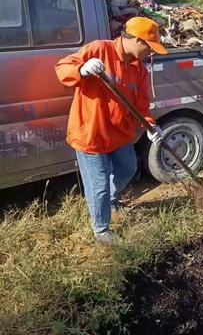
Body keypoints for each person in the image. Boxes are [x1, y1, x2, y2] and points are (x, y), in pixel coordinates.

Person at [55, 17, 168, 244]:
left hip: (119, 133)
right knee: (98, 185)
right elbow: (62, 68)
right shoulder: (99, 50)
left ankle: (110, 200)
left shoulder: (139, 70)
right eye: (149, 47)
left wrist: (150, 126)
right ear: (136, 39)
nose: (151, 53)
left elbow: (141, 106)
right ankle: (101, 229)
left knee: (128, 169)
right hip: (91, 133)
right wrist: (82, 69)